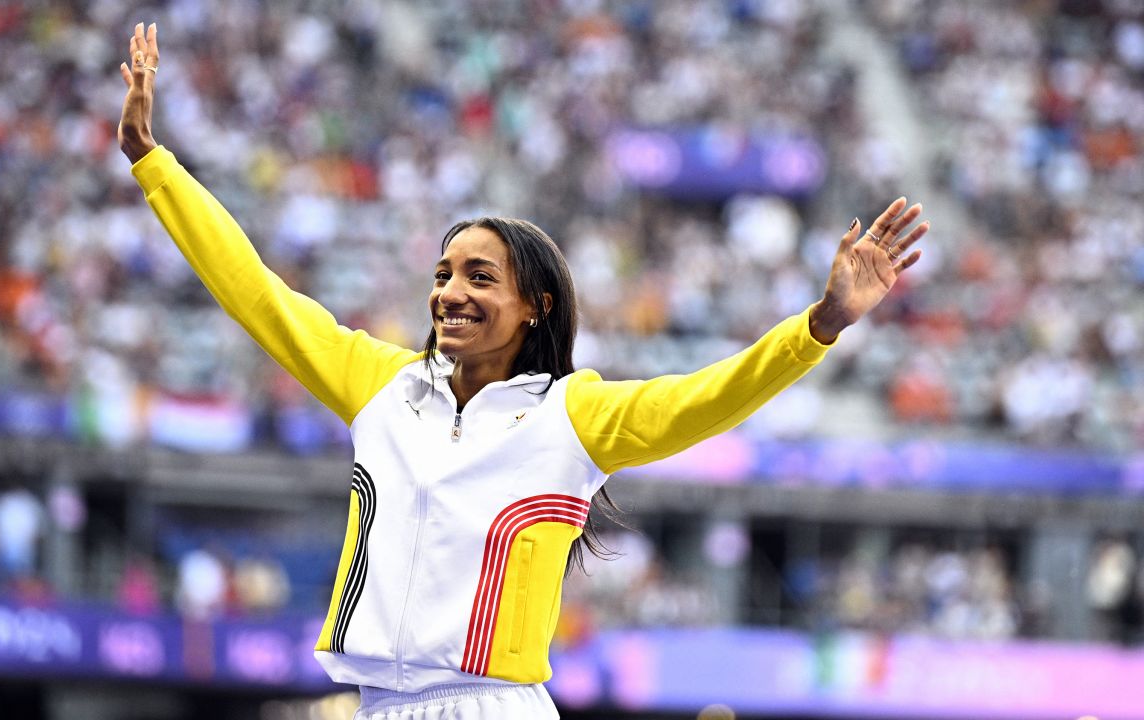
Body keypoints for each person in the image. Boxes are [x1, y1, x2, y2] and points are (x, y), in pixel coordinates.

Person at [117, 21, 928, 720]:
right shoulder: (379, 384)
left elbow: (706, 399)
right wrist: (154, 164)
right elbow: (257, 294)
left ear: (535, 305)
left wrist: (819, 326)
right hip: (374, 705)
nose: (450, 292)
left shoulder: (571, 416)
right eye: (443, 274)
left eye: (479, 277)